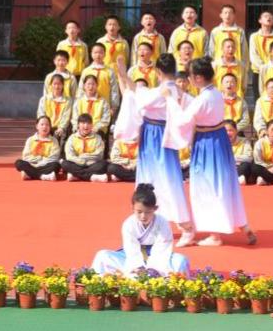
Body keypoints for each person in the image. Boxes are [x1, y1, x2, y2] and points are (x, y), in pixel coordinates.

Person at [165, 57, 256, 247]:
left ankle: (215, 235)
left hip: (207, 143)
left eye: (190, 76)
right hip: (219, 138)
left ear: (198, 78)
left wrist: (170, 101)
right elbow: (196, 106)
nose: (188, 80)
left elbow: (183, 120)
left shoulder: (204, 98)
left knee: (208, 186)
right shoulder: (214, 93)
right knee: (227, 182)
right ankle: (243, 224)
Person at [111, 53, 195, 244]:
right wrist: (123, 77)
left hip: (157, 136)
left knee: (167, 179)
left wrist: (124, 76)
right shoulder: (174, 90)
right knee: (157, 179)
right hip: (155, 135)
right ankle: (151, 222)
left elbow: (136, 95)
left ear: (158, 71)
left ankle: (186, 226)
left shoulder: (164, 91)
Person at [91, 184, 189, 276]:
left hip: (159, 257)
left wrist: (154, 268)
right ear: (132, 208)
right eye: (139, 212)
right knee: (102, 256)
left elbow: (163, 246)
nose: (143, 216)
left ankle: (156, 277)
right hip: (131, 257)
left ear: (155, 208)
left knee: (181, 260)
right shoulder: (129, 224)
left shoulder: (162, 222)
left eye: (148, 212)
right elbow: (131, 247)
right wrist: (137, 267)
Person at [62, 113, 108, 182]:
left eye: (88, 123)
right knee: (65, 163)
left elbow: (99, 155)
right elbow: (69, 156)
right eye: (83, 123)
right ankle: (92, 177)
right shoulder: (72, 138)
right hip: (77, 163)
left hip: (92, 164)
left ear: (92, 125)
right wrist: (80, 161)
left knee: (104, 164)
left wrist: (84, 158)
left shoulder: (98, 138)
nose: (86, 126)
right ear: (78, 125)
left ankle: (76, 175)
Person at [15, 116, 62, 181]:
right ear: (37, 126)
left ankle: (29, 174)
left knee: (56, 165)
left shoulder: (54, 140)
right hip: (32, 164)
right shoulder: (30, 140)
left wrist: (41, 163)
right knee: (19, 163)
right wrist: (39, 160)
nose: (44, 127)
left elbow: (54, 157)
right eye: (42, 124)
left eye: (47, 125)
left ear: (50, 127)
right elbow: (26, 156)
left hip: (46, 165)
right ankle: (43, 176)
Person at [82, 43, 120, 111]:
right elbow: (81, 89)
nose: (98, 55)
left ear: (105, 54)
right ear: (91, 54)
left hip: (105, 106)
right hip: (87, 105)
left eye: (100, 53)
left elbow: (114, 89)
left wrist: (114, 106)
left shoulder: (109, 71)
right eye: (95, 53)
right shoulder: (86, 71)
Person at [37, 73, 73, 141]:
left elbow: (66, 117)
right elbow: (41, 114)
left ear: (63, 85)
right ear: (51, 85)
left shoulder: (68, 101)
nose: (57, 86)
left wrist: (61, 128)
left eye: (59, 84)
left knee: (59, 137)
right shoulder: (44, 99)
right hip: (46, 126)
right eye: (54, 84)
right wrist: (45, 126)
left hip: (60, 128)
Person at [248, 11, 273, 80]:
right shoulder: (254, 36)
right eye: (266, 16)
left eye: (271, 17)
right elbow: (253, 54)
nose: (268, 18)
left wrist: (271, 66)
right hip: (258, 71)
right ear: (260, 20)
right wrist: (262, 67)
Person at [226, 120, 254, 185]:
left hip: (240, 168)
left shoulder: (244, 141)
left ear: (236, 131)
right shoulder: (220, 143)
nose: (228, 133)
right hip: (227, 168)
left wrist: (231, 158)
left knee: (246, 165)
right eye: (226, 131)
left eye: (230, 130)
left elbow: (249, 158)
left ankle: (233, 180)